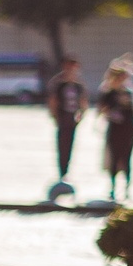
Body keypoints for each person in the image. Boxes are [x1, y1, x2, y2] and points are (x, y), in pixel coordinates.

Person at [97, 60, 133, 200]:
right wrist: (110, 113)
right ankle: (113, 187)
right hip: (114, 129)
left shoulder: (130, 92)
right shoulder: (108, 92)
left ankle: (127, 187)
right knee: (114, 158)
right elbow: (101, 109)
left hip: (128, 129)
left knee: (127, 158)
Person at [46, 58, 86, 189]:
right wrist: (55, 117)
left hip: (72, 120)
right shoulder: (58, 84)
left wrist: (81, 116)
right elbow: (53, 101)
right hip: (62, 119)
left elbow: (83, 102)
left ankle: (66, 172)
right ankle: (61, 172)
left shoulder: (78, 86)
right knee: (61, 146)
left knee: (70, 146)